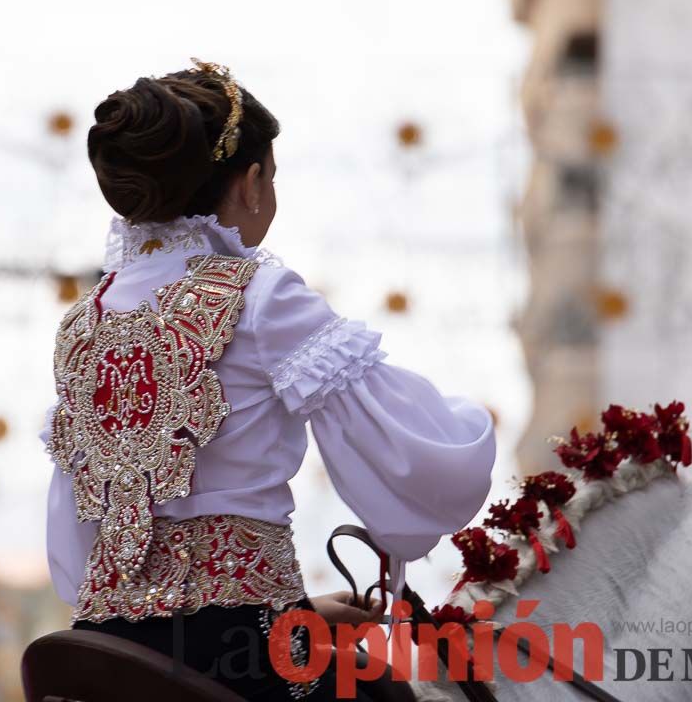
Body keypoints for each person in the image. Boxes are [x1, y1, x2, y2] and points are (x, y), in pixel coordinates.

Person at [38, 58, 495, 701]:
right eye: (272, 177)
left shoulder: (84, 323)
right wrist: (470, 428)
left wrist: (297, 612)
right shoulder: (260, 294)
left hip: (103, 648)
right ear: (251, 183)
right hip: (240, 651)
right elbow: (413, 456)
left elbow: (90, 538)